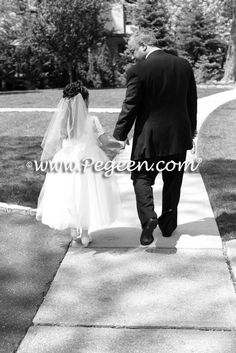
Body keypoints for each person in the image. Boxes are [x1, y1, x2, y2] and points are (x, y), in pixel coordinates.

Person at [113, 30, 197, 246]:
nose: (132, 56)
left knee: (141, 177)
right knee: (172, 181)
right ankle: (168, 227)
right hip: (178, 137)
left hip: (148, 138)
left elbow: (130, 106)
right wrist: (192, 130)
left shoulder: (138, 70)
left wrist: (120, 136)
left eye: (133, 50)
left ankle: (149, 218)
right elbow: (191, 101)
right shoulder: (183, 65)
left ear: (143, 45)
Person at [36, 81, 121, 247]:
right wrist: (120, 144)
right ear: (85, 102)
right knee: (87, 194)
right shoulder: (92, 120)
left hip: (66, 161)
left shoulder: (63, 123)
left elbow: (59, 142)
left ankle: (74, 228)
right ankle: (85, 234)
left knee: (70, 193)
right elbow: (105, 143)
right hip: (89, 161)